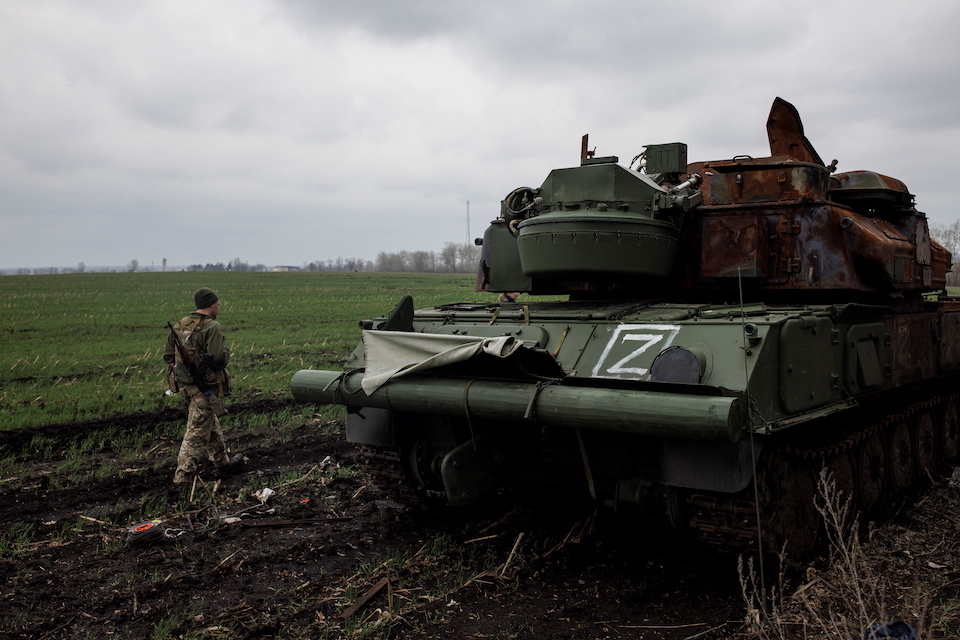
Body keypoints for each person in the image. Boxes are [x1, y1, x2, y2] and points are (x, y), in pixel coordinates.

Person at [163, 287, 243, 490]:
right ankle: (182, 480)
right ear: (210, 305)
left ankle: (223, 465)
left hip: (185, 387)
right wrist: (225, 355)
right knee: (196, 433)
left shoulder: (181, 324)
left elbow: (167, 356)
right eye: (217, 304)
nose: (218, 307)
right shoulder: (212, 326)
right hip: (203, 386)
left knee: (210, 424)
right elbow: (217, 358)